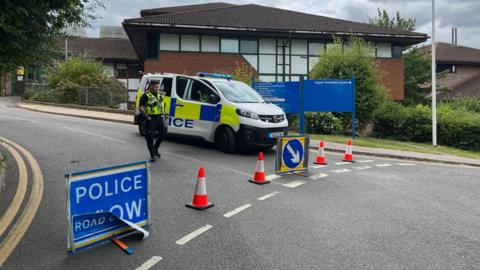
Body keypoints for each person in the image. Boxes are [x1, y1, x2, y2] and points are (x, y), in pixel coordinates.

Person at [139, 80, 166, 162]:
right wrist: (147, 117)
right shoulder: (145, 95)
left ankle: (155, 148)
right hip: (151, 118)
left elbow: (163, 105)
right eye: (155, 87)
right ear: (150, 86)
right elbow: (141, 107)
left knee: (163, 134)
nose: (157, 88)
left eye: (158, 87)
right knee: (150, 137)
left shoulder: (160, 95)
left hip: (159, 117)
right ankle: (152, 154)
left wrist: (163, 116)